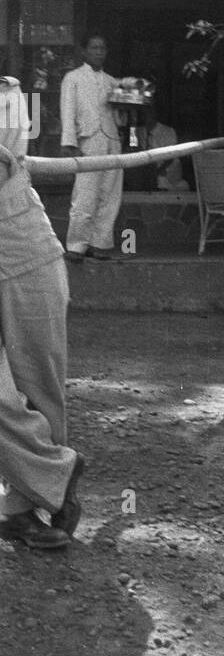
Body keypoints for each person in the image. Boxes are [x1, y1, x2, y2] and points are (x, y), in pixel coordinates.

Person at [0, 76, 84, 551]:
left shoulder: (7, 97)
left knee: (38, 385)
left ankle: (22, 510)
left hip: (26, 254)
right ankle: (57, 470)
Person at [60, 33, 124, 262]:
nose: (99, 52)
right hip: (88, 140)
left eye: (103, 48)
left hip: (112, 140)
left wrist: (127, 108)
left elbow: (121, 118)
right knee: (85, 194)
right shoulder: (73, 78)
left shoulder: (113, 82)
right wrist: (69, 143)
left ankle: (99, 243)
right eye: (94, 48)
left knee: (109, 194)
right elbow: (67, 111)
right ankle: (77, 245)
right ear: (84, 51)